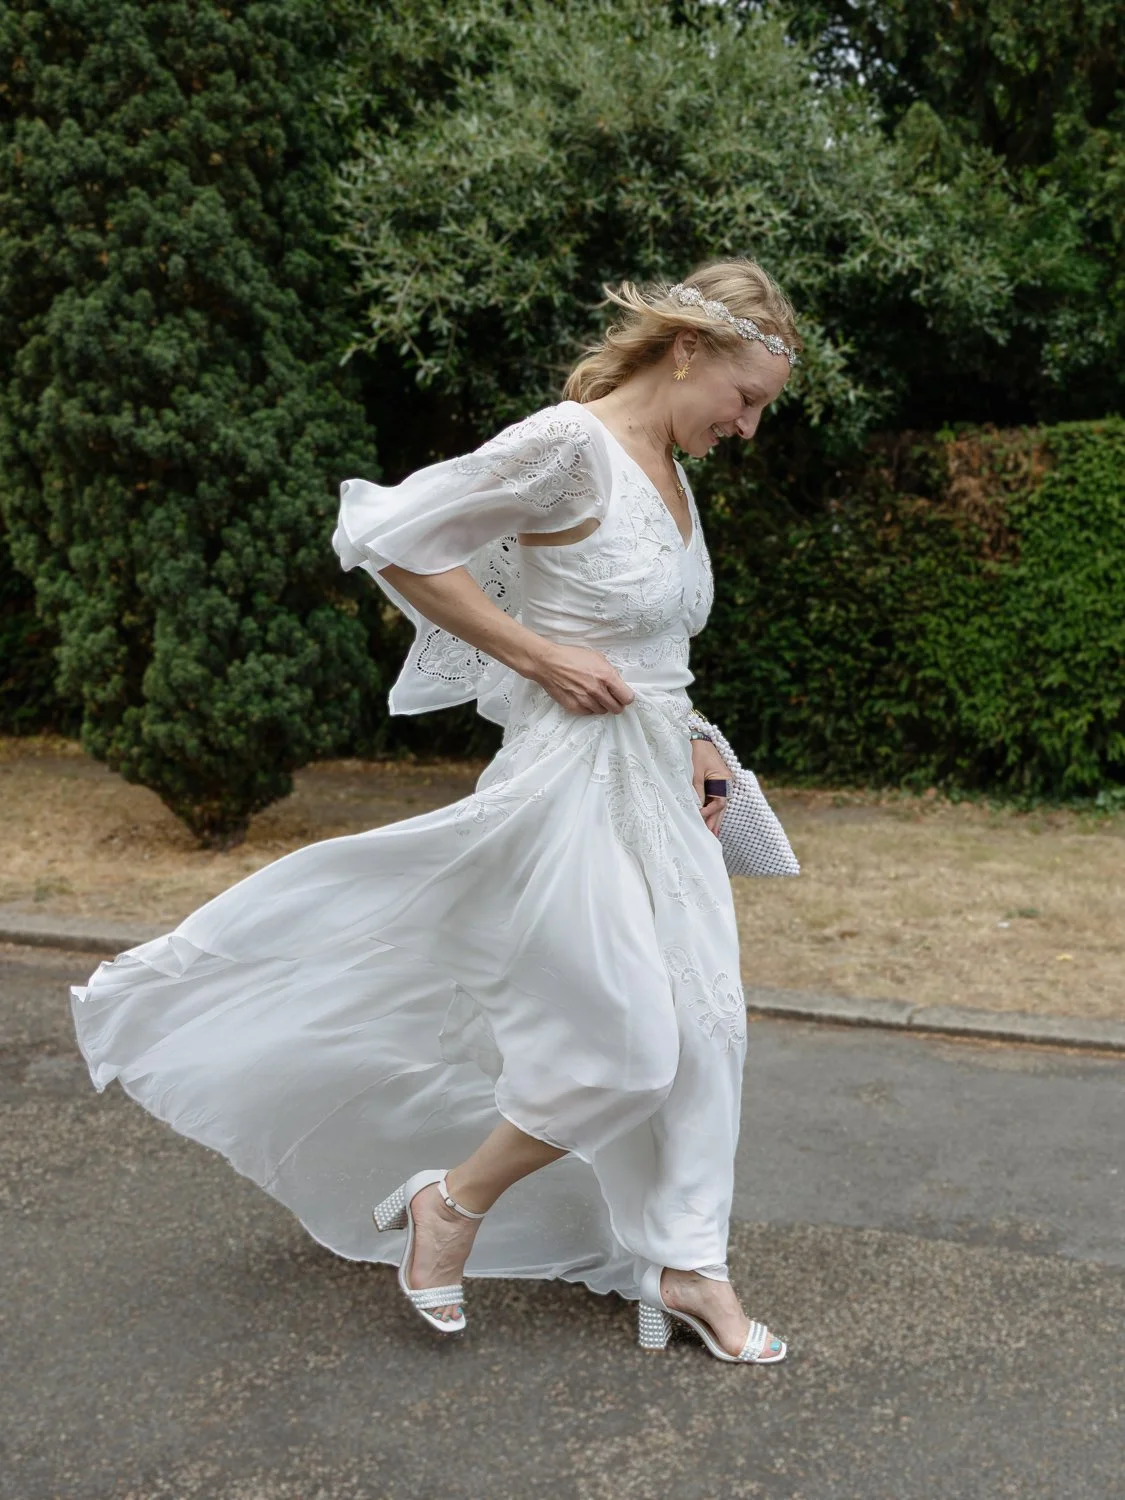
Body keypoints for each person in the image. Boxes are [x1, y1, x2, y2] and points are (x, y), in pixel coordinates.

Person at [70, 258, 801, 1365]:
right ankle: (448, 1205)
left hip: (659, 780)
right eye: (743, 399)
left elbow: (655, 650)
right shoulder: (569, 444)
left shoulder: (673, 471)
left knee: (708, 1033)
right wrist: (534, 651)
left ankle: (686, 1266)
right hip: (567, 790)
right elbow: (397, 537)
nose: (746, 426)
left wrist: (696, 740)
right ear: (687, 351)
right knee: (629, 1049)